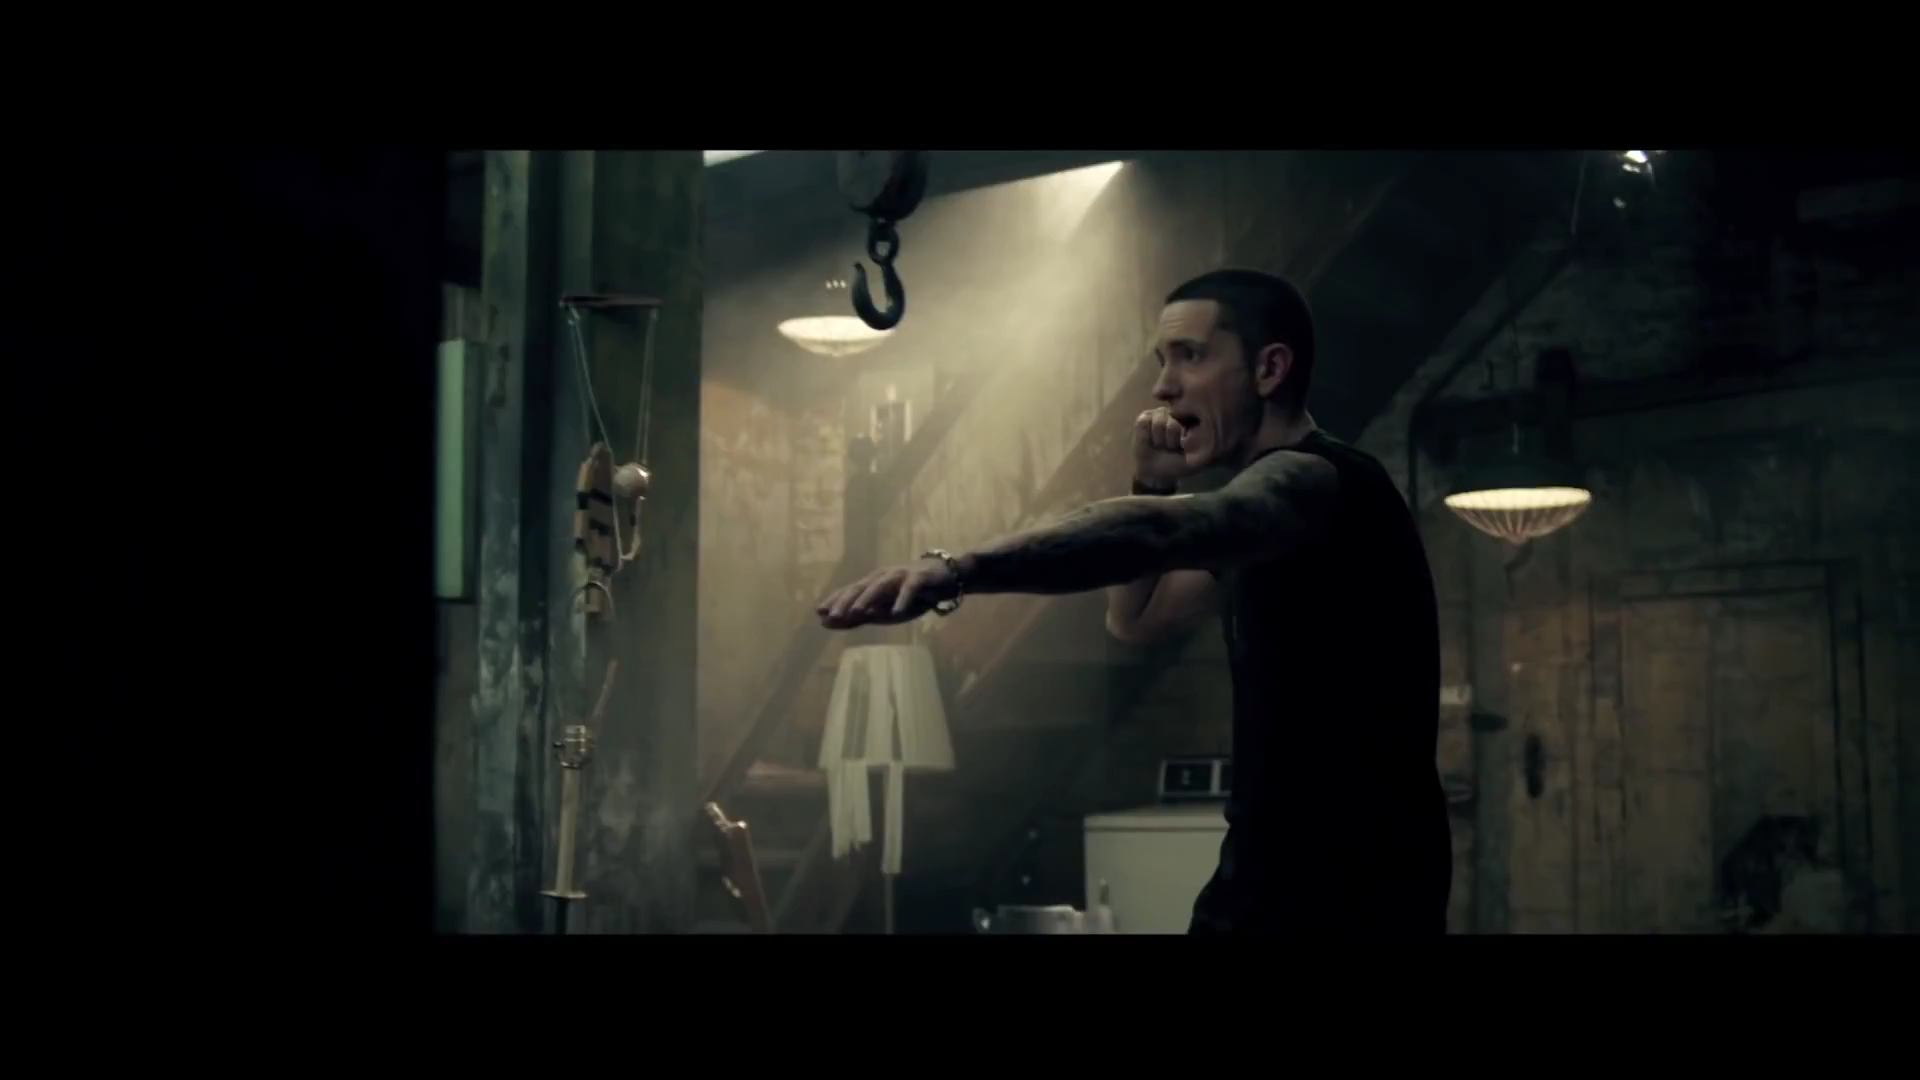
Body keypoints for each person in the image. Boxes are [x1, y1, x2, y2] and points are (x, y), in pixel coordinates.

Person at [816, 268, 1450, 935]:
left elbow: (1155, 533)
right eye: (1161, 361)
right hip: (1270, 882)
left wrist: (959, 570)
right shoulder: (1261, 527)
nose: (1163, 386)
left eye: (1191, 356)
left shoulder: (1317, 480)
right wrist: (1151, 481)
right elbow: (1135, 618)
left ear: (1269, 369)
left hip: (1349, 895)